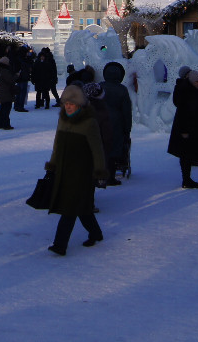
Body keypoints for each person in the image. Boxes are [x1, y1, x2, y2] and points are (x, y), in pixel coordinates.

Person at [43, 85, 107, 255]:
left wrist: (100, 171)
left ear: (79, 104)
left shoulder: (89, 123)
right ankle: (96, 233)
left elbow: (97, 149)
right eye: (66, 103)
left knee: (69, 208)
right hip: (64, 170)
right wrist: (52, 166)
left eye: (72, 103)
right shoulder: (63, 119)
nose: (68, 106)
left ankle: (60, 245)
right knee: (83, 208)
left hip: (82, 172)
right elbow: (57, 145)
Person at [167, 67, 198, 188]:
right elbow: (183, 112)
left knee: (187, 153)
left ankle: (187, 178)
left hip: (193, 126)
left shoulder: (194, 89)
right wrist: (184, 130)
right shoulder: (185, 91)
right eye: (197, 81)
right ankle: (186, 180)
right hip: (186, 128)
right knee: (185, 154)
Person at [100, 61, 133, 184]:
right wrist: (127, 128)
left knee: (101, 147)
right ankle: (110, 176)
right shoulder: (122, 90)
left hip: (100, 120)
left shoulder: (100, 86)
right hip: (116, 123)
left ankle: (100, 172)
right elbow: (126, 111)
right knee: (113, 149)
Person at [0, 55, 15, 130]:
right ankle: (5, 124)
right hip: (7, 91)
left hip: (2, 91)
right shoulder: (5, 71)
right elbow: (10, 80)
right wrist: (15, 76)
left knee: (2, 108)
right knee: (6, 109)